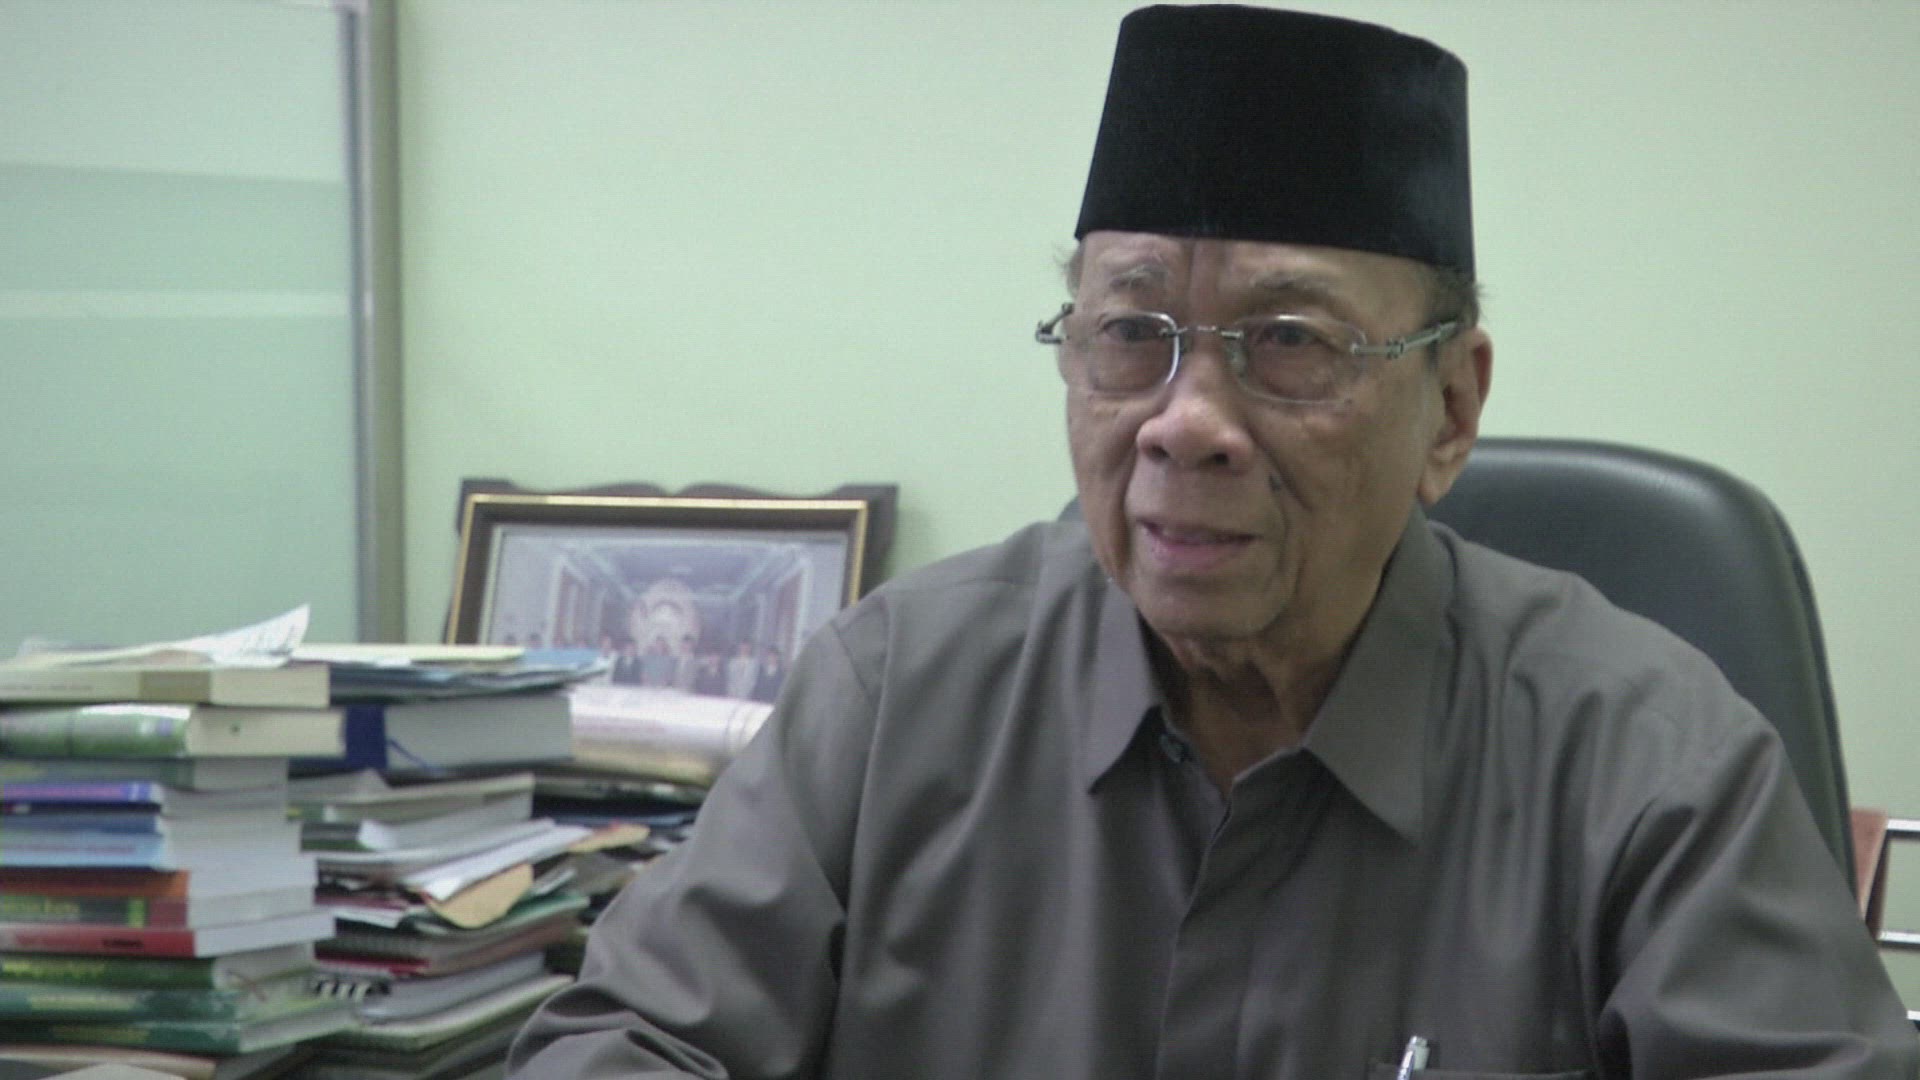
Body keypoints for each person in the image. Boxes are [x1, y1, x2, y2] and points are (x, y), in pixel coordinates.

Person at [509, 7, 1916, 1078]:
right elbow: (628, 1040)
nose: (1187, 424)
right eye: (1131, 332)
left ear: (1451, 408)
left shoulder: (1651, 765)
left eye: (1290, 343)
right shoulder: (894, 697)